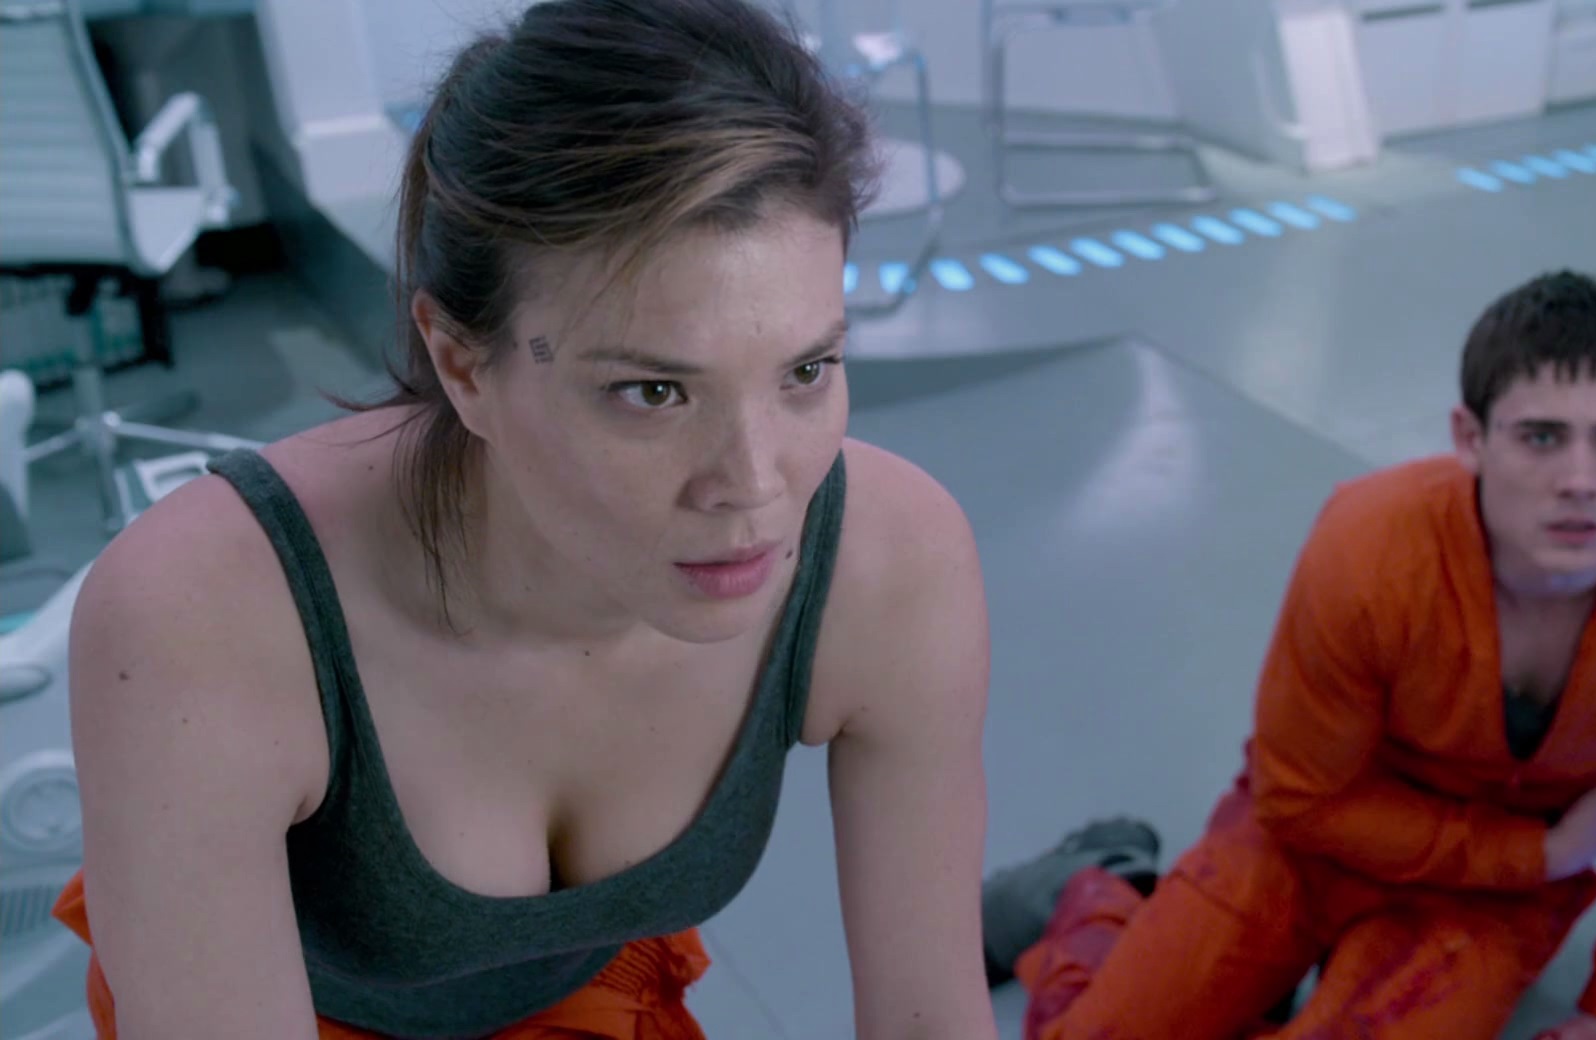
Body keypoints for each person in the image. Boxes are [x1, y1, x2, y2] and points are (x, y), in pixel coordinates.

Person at [53, 1, 996, 1037]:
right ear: (463, 365)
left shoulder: (890, 561)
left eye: (805, 371)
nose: (756, 486)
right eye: (652, 391)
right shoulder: (201, 619)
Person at [982, 270, 1596, 1040]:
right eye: (1542, 437)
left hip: (1484, 909)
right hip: (1311, 851)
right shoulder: (1369, 550)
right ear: (1469, 438)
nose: (1581, 480)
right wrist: (1540, 853)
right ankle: (1100, 884)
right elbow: (1301, 798)